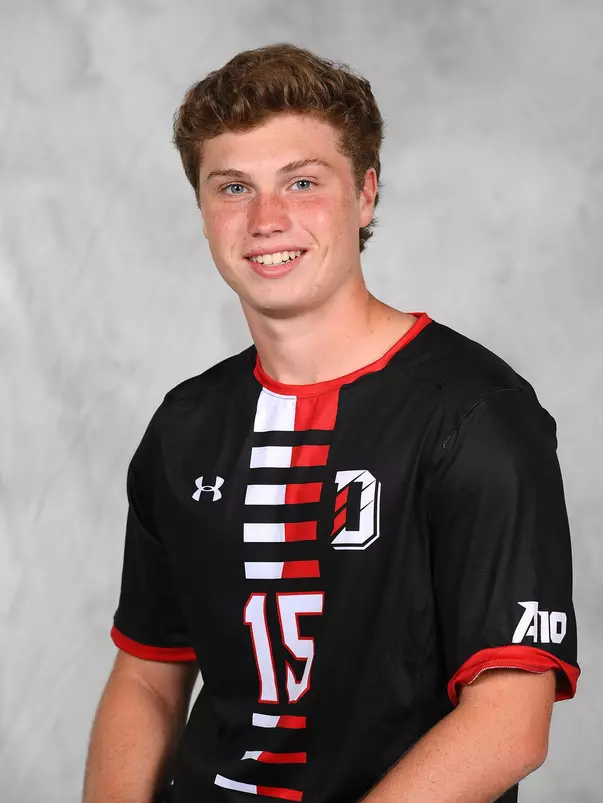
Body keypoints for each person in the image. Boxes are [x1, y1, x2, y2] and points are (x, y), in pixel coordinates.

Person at [82, 43, 580, 803]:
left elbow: (509, 722)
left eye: (303, 182)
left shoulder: (475, 414)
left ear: (366, 194)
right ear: (203, 210)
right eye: (233, 186)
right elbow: (148, 676)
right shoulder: (183, 427)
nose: (266, 219)